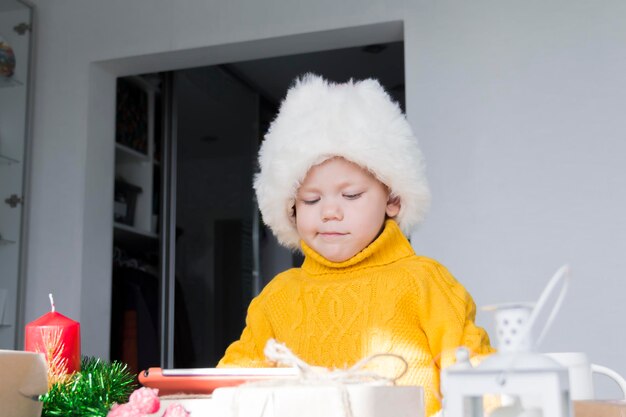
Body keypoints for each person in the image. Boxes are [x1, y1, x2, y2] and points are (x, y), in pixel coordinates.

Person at [217, 74, 493, 416]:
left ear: (392, 198)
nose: (330, 211)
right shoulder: (278, 298)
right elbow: (231, 387)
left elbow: (481, 382)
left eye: (350, 195)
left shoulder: (425, 283)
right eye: (311, 199)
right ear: (290, 208)